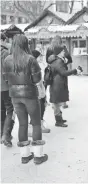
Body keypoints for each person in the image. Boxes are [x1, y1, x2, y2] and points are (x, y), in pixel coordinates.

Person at [3, 34, 48, 164]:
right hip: (30, 95)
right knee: (35, 124)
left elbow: (6, 79)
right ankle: (38, 156)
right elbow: (37, 79)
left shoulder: (7, 60)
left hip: (15, 96)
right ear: (25, 44)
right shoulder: (30, 59)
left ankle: (25, 155)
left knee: (22, 124)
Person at [47, 45, 80, 127]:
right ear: (59, 53)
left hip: (57, 84)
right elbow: (63, 72)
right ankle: (58, 121)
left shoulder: (58, 60)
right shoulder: (58, 61)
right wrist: (75, 70)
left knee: (57, 102)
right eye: (62, 51)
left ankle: (60, 118)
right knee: (56, 103)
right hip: (57, 85)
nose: (64, 52)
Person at [46, 36, 72, 109]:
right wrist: (65, 63)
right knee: (64, 85)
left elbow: (47, 60)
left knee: (52, 85)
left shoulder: (49, 48)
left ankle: (54, 103)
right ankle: (64, 103)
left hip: (52, 69)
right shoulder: (63, 47)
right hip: (62, 68)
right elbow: (69, 58)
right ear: (61, 41)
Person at [1, 32, 15, 147]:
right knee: (10, 110)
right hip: (5, 87)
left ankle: (2, 134)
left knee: (1, 111)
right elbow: (8, 71)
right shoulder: (4, 53)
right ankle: (6, 135)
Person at [31, 50, 50, 133]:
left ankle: (39, 125)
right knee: (38, 109)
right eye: (40, 56)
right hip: (37, 91)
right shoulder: (33, 66)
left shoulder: (40, 65)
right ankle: (37, 127)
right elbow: (37, 81)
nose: (41, 58)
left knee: (41, 108)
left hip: (41, 90)